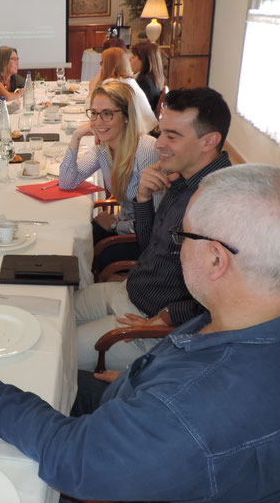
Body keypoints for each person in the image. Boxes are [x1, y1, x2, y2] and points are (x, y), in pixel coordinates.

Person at [0, 164, 280, 503]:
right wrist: (145, 379)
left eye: (181, 236)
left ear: (214, 258)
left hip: (123, 484)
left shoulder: (187, 412)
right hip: (173, 436)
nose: (175, 246)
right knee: (36, 375)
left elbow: (70, 459)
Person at [75, 87, 232, 372]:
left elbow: (226, 297)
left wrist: (169, 315)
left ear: (209, 141)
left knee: (55, 348)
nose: (159, 144)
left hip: (148, 326)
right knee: (52, 312)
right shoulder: (183, 177)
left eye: (172, 136)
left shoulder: (219, 203)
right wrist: (144, 199)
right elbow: (149, 246)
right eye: (162, 132)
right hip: (130, 291)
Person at [59, 81, 159, 265]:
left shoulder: (145, 151)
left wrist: (115, 225)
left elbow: (155, 221)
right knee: (71, 240)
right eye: (94, 113)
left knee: (82, 254)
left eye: (107, 114)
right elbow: (67, 182)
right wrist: (75, 138)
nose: (97, 122)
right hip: (125, 225)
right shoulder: (104, 149)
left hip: (145, 241)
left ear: (127, 116)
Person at [87, 47, 156, 132]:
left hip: (137, 133)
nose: (101, 66)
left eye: (102, 63)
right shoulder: (128, 80)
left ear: (108, 64)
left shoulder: (113, 83)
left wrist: (92, 89)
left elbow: (91, 111)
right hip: (145, 128)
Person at [130, 40, 165, 114]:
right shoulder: (151, 78)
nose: (130, 59)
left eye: (133, 57)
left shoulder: (144, 82)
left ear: (144, 61)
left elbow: (132, 108)